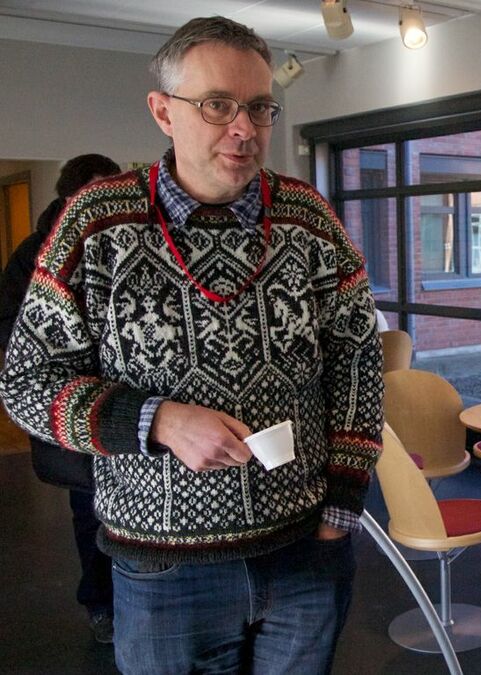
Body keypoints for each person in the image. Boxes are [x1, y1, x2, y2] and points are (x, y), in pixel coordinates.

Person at [0, 16, 383, 675]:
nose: (245, 127)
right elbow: (27, 381)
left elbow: (357, 357)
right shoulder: (98, 223)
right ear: (163, 111)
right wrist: (157, 420)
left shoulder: (307, 217)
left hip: (306, 551)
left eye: (260, 107)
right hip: (163, 567)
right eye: (217, 105)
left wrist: (345, 500)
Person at [0, 153, 122, 644]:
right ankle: (101, 605)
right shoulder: (35, 256)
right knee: (90, 512)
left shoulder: (131, 243)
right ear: (70, 197)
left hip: (139, 411)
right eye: (94, 193)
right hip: (81, 413)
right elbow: (14, 341)